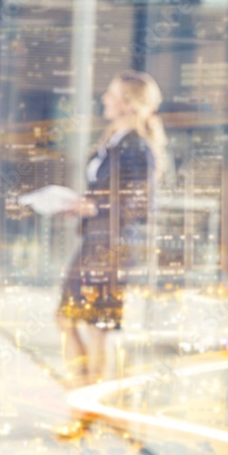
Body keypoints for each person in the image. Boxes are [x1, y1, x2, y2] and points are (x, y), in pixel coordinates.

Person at [56, 70, 166, 386]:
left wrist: (94, 206)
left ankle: (87, 403)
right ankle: (84, 395)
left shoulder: (137, 146)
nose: (105, 98)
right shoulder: (114, 140)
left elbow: (142, 204)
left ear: (130, 104)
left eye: (112, 95)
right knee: (68, 318)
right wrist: (84, 206)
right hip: (95, 242)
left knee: (97, 327)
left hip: (112, 248)